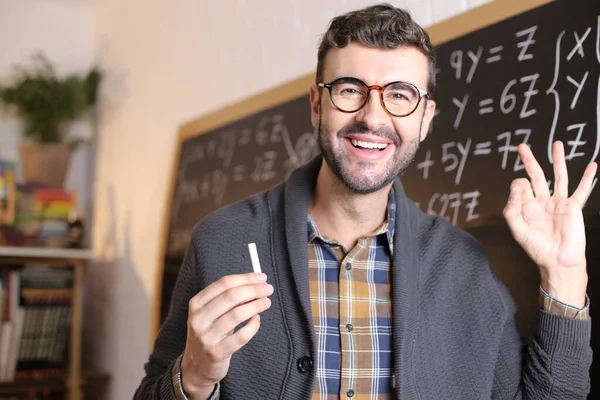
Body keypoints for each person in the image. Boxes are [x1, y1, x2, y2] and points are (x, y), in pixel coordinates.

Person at [135, 3, 596, 399]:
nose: (373, 117)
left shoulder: (464, 268)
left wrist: (565, 277)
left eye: (400, 94)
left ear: (426, 118)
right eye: (350, 89)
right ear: (317, 104)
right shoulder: (223, 242)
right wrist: (192, 378)